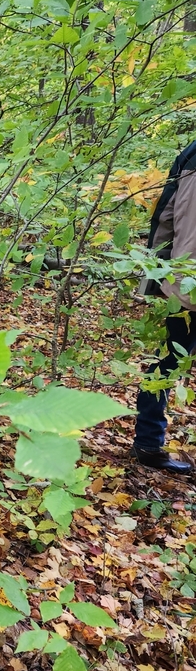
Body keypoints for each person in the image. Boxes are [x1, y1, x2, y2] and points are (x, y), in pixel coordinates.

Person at [133, 140, 196, 474]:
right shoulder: (191, 155)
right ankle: (147, 443)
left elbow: (164, 219)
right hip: (187, 285)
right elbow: (166, 217)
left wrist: (154, 280)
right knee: (169, 362)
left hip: (183, 281)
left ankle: (147, 442)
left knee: (168, 362)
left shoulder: (191, 153)